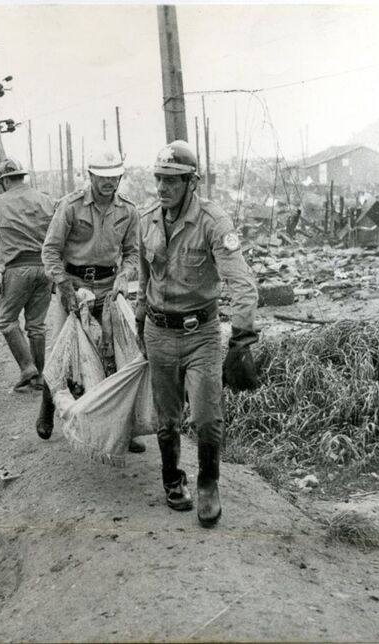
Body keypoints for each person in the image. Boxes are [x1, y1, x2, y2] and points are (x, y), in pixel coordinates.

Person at [135, 140, 259, 528]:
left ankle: (209, 484)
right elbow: (144, 277)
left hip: (201, 334)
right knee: (167, 419)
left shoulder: (212, 221)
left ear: (192, 182)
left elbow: (242, 282)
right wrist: (141, 319)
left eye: (172, 180)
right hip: (159, 332)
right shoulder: (148, 219)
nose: (162, 187)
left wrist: (242, 335)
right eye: (159, 178)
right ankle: (173, 481)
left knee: (206, 416)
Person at [38, 143, 145, 452]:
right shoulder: (71, 206)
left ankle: (124, 425)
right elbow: (51, 250)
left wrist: (124, 278)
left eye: (114, 177)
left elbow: (133, 254)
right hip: (73, 284)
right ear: (90, 176)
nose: (108, 182)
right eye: (102, 177)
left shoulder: (128, 210)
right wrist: (63, 286)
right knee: (61, 347)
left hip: (109, 287)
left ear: (121, 177)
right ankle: (48, 405)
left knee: (120, 355)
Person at [0, 158, 55, 392]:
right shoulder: (46, 200)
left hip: (17, 268)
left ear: (4, 181)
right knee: (36, 325)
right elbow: (58, 234)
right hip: (45, 267)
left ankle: (27, 368)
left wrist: (11, 249)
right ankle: (38, 378)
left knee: (6, 321)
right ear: (22, 176)